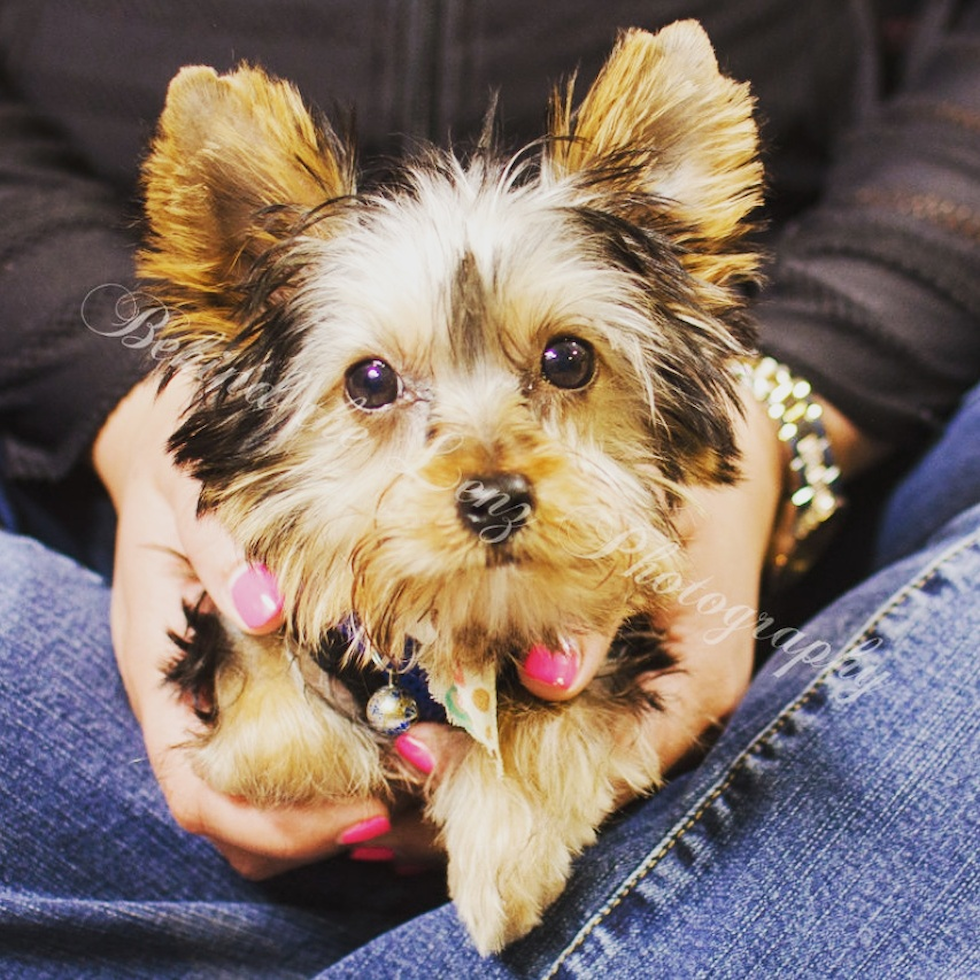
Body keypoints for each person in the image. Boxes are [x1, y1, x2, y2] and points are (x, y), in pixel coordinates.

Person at [1, 1, 978, 976]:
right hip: (83, 500)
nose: (490, 477)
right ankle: (678, 914)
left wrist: (786, 409)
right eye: (374, 386)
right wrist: (112, 399)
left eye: (565, 364)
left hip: (823, 503)